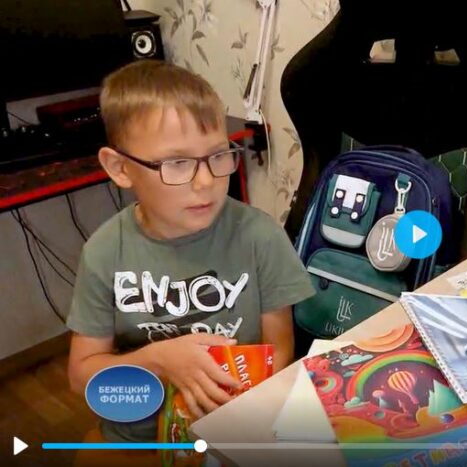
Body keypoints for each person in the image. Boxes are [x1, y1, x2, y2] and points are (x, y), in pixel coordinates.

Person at [65, 60, 315, 457]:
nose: (206, 181)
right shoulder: (103, 252)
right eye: (177, 163)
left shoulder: (260, 236)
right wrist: (158, 361)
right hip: (139, 436)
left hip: (234, 425)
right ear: (120, 168)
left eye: (218, 155)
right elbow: (82, 377)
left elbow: (280, 352)